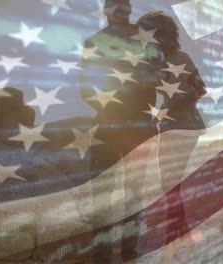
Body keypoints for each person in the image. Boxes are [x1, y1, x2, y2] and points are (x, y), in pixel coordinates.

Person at [79, 1, 165, 262]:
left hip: (137, 126)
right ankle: (103, 257)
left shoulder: (147, 42)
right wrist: (108, 108)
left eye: (125, 4)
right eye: (115, 5)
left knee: (133, 195)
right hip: (112, 126)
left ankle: (128, 254)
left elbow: (161, 78)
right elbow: (85, 85)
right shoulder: (95, 41)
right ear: (106, 9)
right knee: (104, 197)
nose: (122, 9)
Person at [137, 10, 207, 257]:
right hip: (184, 126)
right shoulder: (169, 58)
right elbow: (200, 89)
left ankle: (176, 232)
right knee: (171, 182)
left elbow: (199, 90)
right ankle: (179, 229)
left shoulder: (170, 58)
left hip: (178, 127)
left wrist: (172, 104)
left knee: (169, 182)